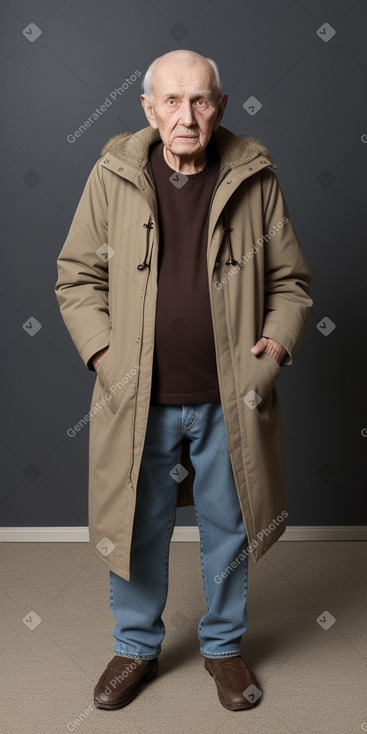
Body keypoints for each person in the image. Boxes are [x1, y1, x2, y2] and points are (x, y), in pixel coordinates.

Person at [55, 49, 312, 712]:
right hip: (135, 397)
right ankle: (136, 647)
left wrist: (275, 347)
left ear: (219, 107)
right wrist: (104, 357)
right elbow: (77, 277)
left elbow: (289, 282)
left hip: (231, 396)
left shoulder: (254, 176)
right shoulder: (111, 175)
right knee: (137, 525)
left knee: (228, 527)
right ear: (147, 108)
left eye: (200, 100)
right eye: (171, 100)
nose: (186, 115)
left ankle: (223, 649)